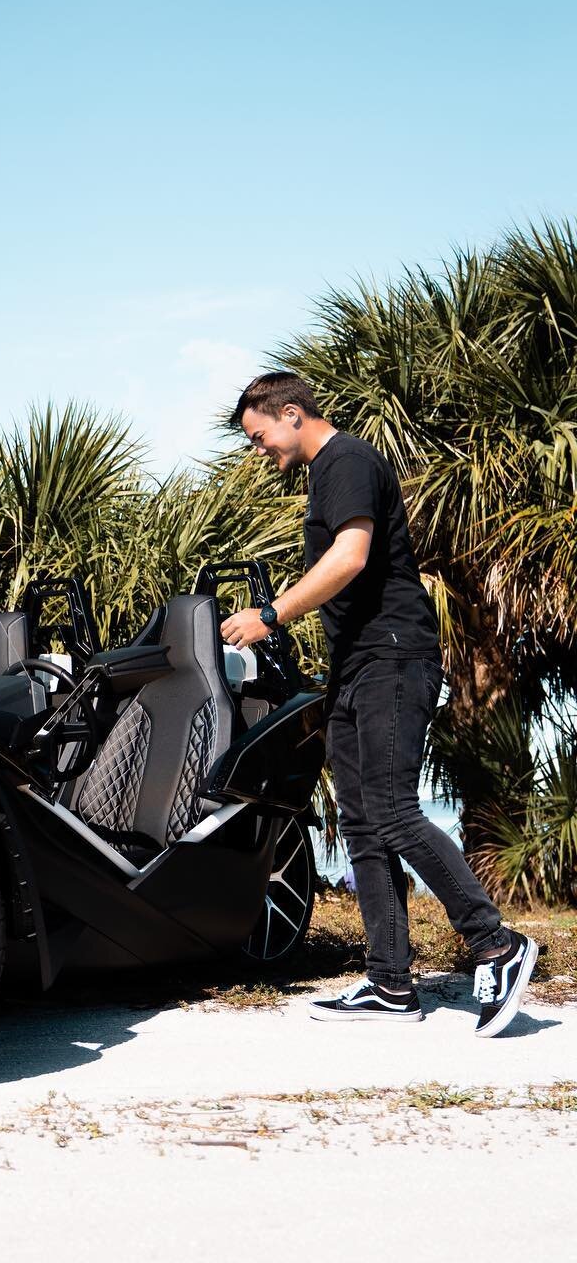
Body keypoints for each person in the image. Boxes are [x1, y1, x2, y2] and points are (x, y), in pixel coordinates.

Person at [220, 371, 538, 1037]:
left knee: (392, 810)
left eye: (259, 437)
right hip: (360, 665)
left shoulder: (347, 460)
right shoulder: (328, 471)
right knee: (362, 820)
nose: (260, 451)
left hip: (394, 658)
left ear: (294, 414)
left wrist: (271, 615)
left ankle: (497, 944)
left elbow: (352, 556)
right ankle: (391, 980)